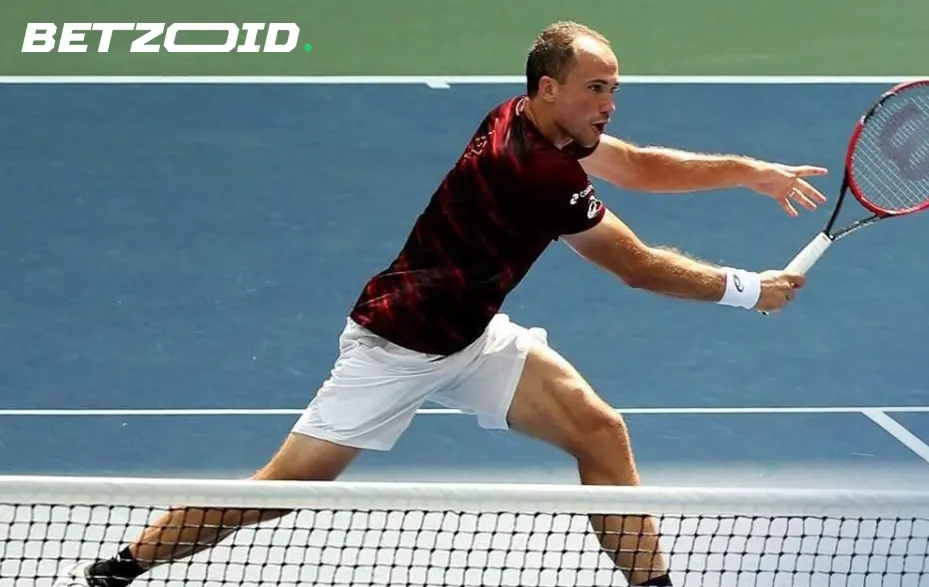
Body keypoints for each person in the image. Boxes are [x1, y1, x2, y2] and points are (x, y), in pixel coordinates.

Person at [58, 21, 826, 587]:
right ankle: (121, 565)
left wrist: (750, 171)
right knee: (279, 491)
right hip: (395, 346)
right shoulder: (537, 174)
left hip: (469, 335)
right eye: (598, 87)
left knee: (599, 429)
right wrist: (746, 289)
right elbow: (635, 266)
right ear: (549, 88)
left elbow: (639, 166)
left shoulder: (523, 115)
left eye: (615, 87)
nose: (610, 102)